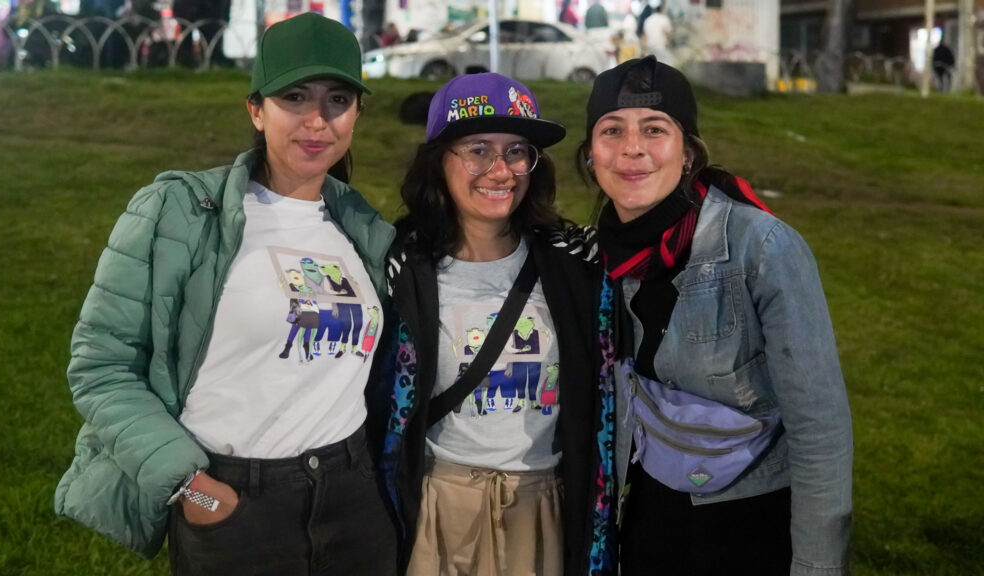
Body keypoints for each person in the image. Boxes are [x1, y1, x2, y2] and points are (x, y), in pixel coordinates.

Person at [54, 13, 398, 575]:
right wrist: (196, 491)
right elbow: (102, 367)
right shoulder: (178, 212)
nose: (317, 120)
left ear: (357, 114)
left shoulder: (364, 230)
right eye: (294, 97)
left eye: (337, 99)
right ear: (256, 110)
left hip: (354, 499)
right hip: (235, 503)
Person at [577, 56, 853, 575]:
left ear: (688, 153)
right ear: (591, 155)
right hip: (651, 521)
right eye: (612, 130)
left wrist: (818, 565)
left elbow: (820, 429)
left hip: (752, 527)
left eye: (654, 129)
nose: (632, 148)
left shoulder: (761, 248)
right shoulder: (600, 256)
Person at [378, 73, 617, 575]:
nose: (501, 170)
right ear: (439, 160)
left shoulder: (576, 262)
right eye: (478, 150)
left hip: (543, 504)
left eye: (516, 151)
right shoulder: (400, 270)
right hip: (440, 506)